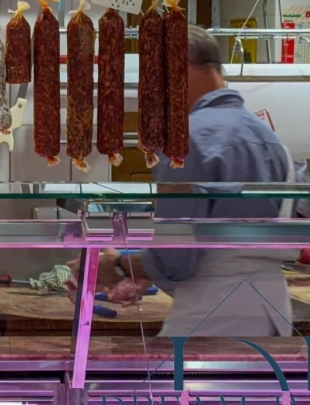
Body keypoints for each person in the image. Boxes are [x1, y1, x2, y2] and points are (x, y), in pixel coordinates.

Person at [85, 25, 296, 337]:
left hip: (214, 314)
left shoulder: (184, 140)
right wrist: (148, 270)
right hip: (274, 312)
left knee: (166, 385)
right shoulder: (272, 139)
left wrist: (119, 266)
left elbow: (177, 257)